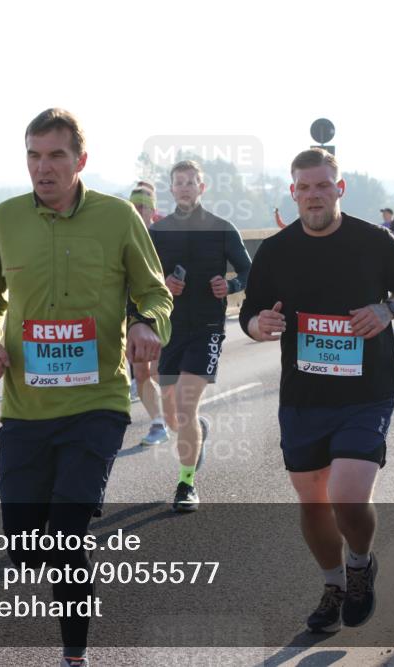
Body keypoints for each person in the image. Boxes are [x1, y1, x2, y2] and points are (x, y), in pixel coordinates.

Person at [0, 108, 172, 667]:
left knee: (65, 536)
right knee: (24, 547)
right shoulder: (4, 219)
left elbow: (155, 292)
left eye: (56, 155)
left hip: (96, 403)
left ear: (80, 160)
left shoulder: (118, 218)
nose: (44, 167)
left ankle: (74, 656)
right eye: (34, 156)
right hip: (25, 407)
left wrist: (145, 324)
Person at [239, 148, 394, 634]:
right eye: (304, 187)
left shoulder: (374, 240)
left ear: (339, 189)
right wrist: (260, 325)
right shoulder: (277, 250)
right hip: (304, 396)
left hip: (367, 390)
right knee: (315, 502)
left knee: (347, 495)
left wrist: (388, 310)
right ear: (293, 192)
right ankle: (333, 584)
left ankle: (360, 563)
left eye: (323, 185)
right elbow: (250, 312)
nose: (314, 195)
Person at [148, 159, 252, 512]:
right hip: (169, 329)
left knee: (185, 405)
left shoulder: (222, 228)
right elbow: (141, 278)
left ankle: (186, 483)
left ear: (202, 187)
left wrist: (231, 285)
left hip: (207, 328)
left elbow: (249, 271)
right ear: (171, 189)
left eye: (191, 182)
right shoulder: (157, 232)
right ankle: (198, 432)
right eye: (179, 182)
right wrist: (163, 284)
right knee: (173, 417)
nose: (185, 187)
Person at [128, 187, 171, 446]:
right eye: (133, 206)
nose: (137, 211)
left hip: (161, 310)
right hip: (133, 312)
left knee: (157, 371)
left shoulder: (163, 237)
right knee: (140, 371)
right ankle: (158, 423)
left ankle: (179, 417)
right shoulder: (123, 234)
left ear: (152, 211)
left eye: (142, 207)